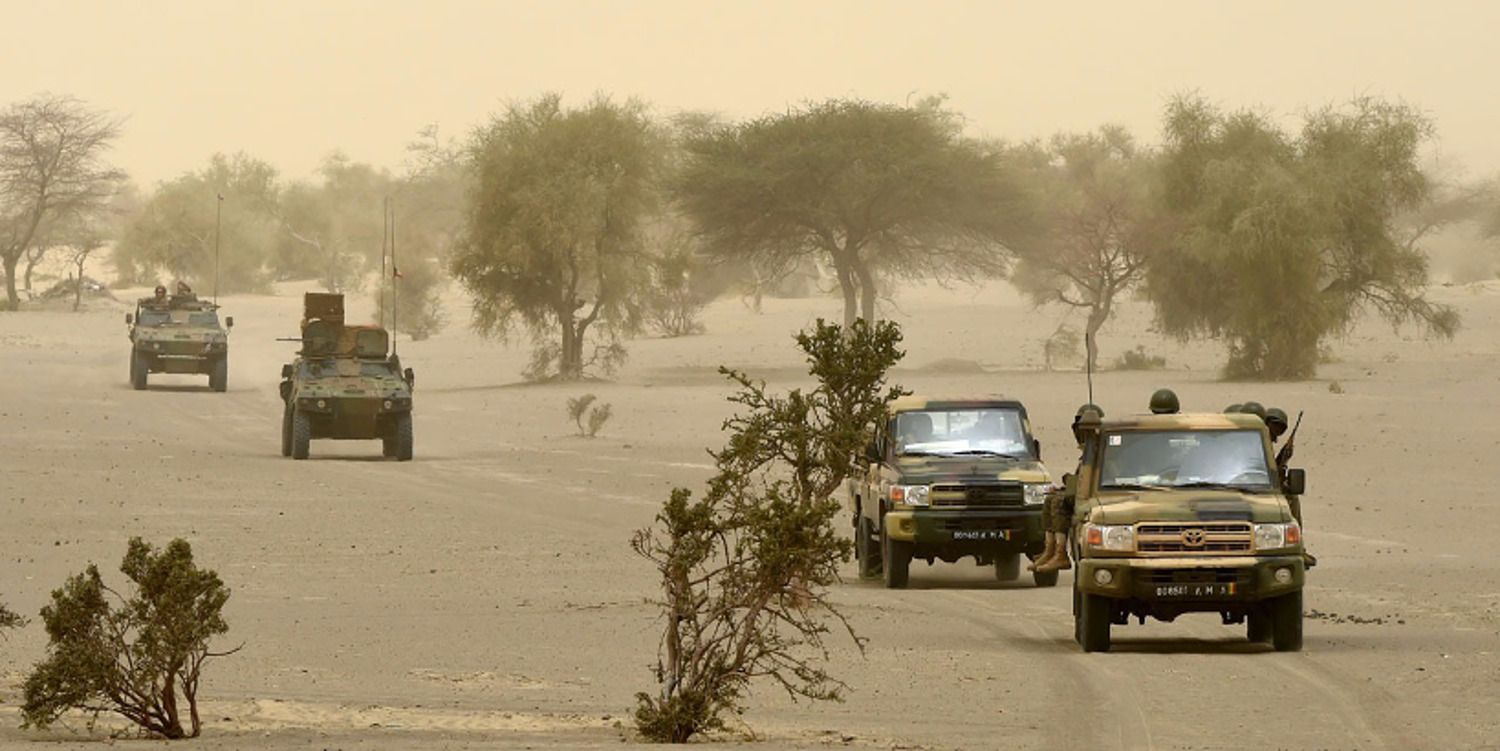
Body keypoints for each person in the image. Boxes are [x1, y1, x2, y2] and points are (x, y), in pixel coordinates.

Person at [1031, 404, 1103, 573]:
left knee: (1059, 503)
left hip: (1093, 496)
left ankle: (1061, 552)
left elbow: (1093, 478)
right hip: (1085, 492)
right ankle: (1050, 550)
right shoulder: (1088, 451)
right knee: (1050, 499)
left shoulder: (1100, 451)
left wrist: (1070, 482)